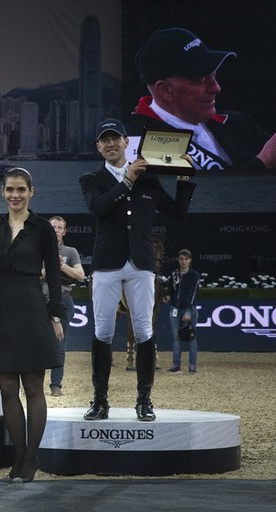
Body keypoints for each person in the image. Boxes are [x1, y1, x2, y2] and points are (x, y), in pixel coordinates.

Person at [79, 118, 196, 422]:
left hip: (141, 264)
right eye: (104, 140)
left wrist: (184, 179)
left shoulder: (149, 179)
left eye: (115, 138)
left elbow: (178, 214)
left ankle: (144, 400)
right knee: (102, 332)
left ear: (126, 143)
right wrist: (127, 180)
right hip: (106, 264)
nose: (110, 144)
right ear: (98, 147)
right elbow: (98, 208)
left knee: (145, 331)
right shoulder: (90, 179)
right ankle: (99, 400)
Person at [0, 169, 65, 483]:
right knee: (7, 390)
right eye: (9, 190)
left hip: (32, 308)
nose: (15, 195)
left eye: (21, 189)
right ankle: (18, 457)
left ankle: (31, 458)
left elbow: (55, 276)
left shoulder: (42, 228)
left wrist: (54, 314)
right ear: (3, 193)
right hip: (1, 311)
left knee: (33, 388)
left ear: (31, 191)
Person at [130, 27, 276, 171]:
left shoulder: (239, 123)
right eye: (200, 79)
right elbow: (195, 194)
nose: (216, 88)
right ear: (165, 90)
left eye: (214, 76)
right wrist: (263, 163)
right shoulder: (137, 142)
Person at [41, 215, 84, 397]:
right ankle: (35, 384)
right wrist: (48, 269)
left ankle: (56, 384)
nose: (56, 230)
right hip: (41, 300)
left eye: (59, 227)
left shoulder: (70, 251)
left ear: (64, 231)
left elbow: (80, 275)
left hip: (64, 300)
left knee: (60, 344)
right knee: (38, 344)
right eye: (53, 227)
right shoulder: (38, 249)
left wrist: (61, 266)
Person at [166, 249, 200, 373]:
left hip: (188, 310)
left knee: (191, 337)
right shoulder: (174, 274)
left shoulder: (194, 275)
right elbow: (170, 288)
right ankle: (176, 365)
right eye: (181, 259)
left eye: (186, 259)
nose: (183, 262)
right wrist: (168, 296)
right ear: (178, 260)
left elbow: (192, 294)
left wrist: (188, 311)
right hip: (174, 309)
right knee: (176, 338)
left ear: (190, 260)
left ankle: (192, 366)